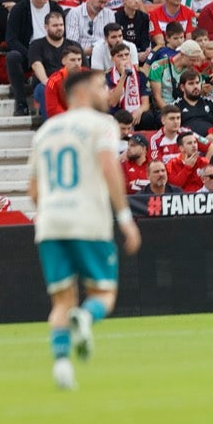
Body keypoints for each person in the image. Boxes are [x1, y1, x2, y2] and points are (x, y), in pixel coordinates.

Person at [29, 67, 142, 391]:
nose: (107, 92)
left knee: (61, 302)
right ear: (80, 92)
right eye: (100, 86)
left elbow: (34, 190)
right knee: (103, 293)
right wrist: (124, 219)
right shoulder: (101, 124)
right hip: (88, 220)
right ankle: (87, 318)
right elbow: (109, 166)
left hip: (50, 222)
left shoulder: (46, 131)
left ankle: (62, 365)